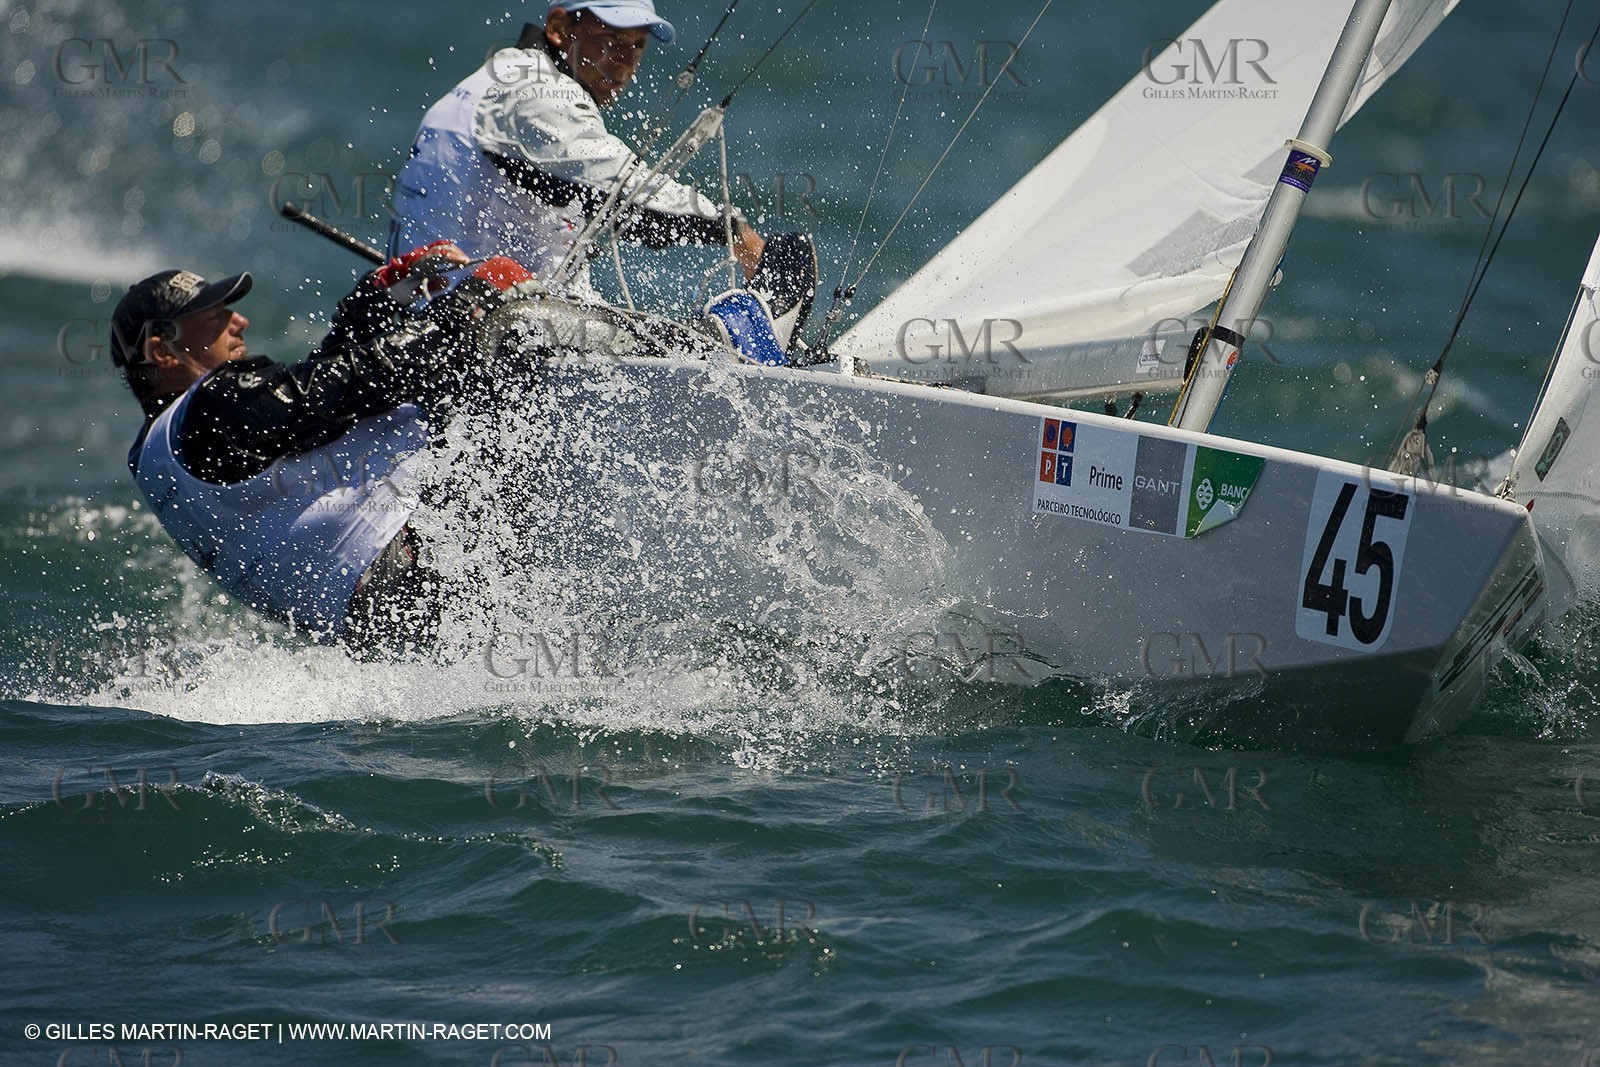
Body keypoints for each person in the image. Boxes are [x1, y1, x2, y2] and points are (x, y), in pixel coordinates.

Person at [113, 243, 535, 653]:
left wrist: (373, 301)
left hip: (372, 623)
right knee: (489, 370)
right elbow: (357, 381)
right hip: (406, 571)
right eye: (216, 316)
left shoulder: (154, 454)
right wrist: (474, 302)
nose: (238, 321)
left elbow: (315, 405)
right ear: (161, 350)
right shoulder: (210, 404)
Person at [388, 0, 767, 293]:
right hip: (475, 340)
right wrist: (734, 231)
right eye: (612, 42)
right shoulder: (532, 91)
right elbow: (623, 188)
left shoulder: (501, 78)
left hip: (443, 317)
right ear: (558, 28)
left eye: (637, 46)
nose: (626, 63)